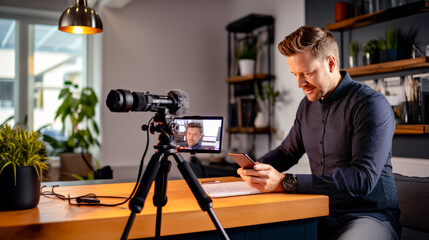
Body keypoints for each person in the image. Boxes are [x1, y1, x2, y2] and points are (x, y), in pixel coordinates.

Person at [237, 26, 400, 240]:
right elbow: (287, 152)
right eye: (295, 74)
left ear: (331, 63)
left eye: (307, 73)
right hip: (317, 213)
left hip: (369, 217)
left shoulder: (370, 105)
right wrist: (252, 171)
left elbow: (362, 179)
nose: (299, 83)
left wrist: (285, 182)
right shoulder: (306, 106)